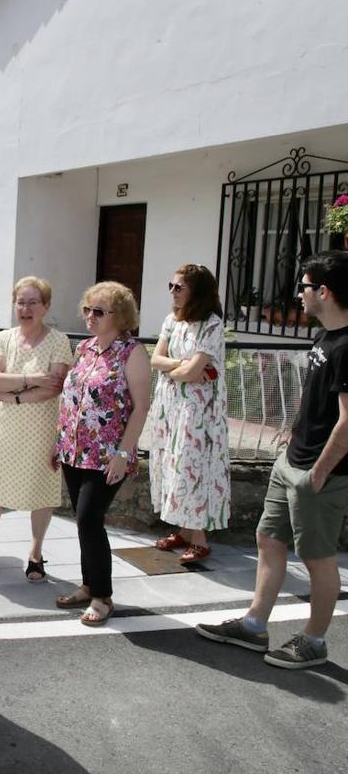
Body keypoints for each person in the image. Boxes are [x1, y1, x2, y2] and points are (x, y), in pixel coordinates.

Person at [198, 252, 348, 669]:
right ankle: (253, 626)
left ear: (324, 291)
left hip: (320, 473)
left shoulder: (347, 346)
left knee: (318, 558)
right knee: (268, 539)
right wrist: (290, 442)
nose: (297, 295)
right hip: (292, 462)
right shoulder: (325, 337)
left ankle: (314, 641)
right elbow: (319, 405)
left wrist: (318, 473)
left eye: (302, 286)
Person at [0, 276, 71, 581]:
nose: (25, 308)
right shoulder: (3, 339)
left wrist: (14, 392)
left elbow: (55, 387)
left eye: (33, 302)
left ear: (46, 306)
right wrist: (33, 378)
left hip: (42, 428)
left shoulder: (58, 341)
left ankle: (36, 553)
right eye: (21, 301)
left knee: (41, 490)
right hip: (6, 427)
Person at [53, 282, 150, 626]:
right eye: (87, 309)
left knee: (89, 519)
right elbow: (72, 400)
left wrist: (124, 453)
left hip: (108, 454)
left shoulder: (132, 352)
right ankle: (88, 583)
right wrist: (59, 441)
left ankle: (102, 596)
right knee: (82, 522)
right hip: (74, 449)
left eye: (99, 312)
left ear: (119, 316)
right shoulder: (85, 348)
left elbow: (140, 408)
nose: (89, 317)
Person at [147, 264, 230, 563]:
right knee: (173, 465)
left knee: (194, 467)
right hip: (171, 406)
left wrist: (181, 367)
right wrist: (181, 364)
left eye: (178, 287)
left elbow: (195, 372)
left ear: (197, 291)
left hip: (199, 412)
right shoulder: (172, 320)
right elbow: (156, 360)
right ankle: (183, 529)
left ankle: (199, 538)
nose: (172, 292)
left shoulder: (212, 325)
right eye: (170, 285)